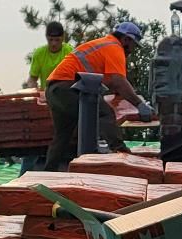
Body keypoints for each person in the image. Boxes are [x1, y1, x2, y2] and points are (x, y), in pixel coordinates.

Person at [44, 20, 154, 170]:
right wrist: (139, 104)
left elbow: (110, 80)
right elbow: (118, 80)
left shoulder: (105, 44)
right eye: (134, 45)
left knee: (62, 136)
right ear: (126, 39)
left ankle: (48, 174)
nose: (132, 50)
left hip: (54, 90)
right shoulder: (115, 48)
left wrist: (120, 93)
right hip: (67, 87)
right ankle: (123, 154)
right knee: (103, 113)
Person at [25, 20, 71, 91]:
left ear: (63, 37)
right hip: (46, 95)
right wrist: (32, 89)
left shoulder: (69, 51)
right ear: (46, 37)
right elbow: (32, 79)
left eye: (57, 40)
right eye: (51, 40)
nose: (54, 44)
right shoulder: (39, 53)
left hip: (65, 93)